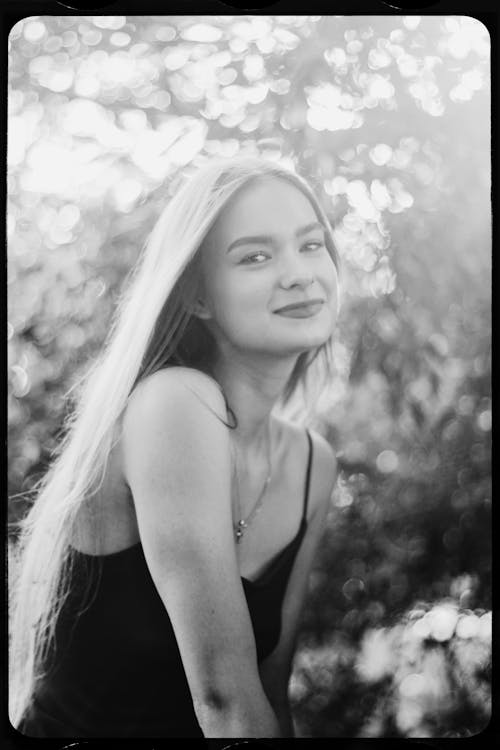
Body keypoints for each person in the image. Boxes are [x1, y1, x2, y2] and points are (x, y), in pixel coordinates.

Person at [10, 156, 341, 738]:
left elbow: (269, 693)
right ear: (198, 298)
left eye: (311, 246)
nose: (298, 274)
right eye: (255, 257)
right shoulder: (175, 402)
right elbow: (225, 699)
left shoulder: (314, 463)